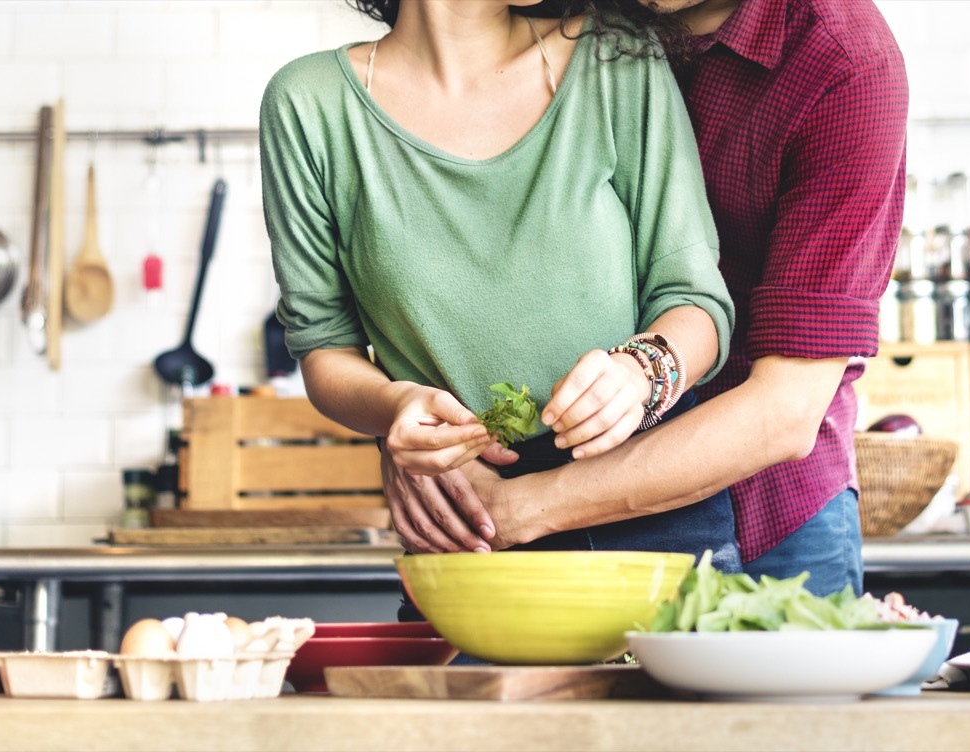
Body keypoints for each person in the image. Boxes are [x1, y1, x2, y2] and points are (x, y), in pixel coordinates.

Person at [382, 0, 908, 597]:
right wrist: (410, 436)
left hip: (767, 509)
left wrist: (512, 509)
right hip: (525, 481)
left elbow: (783, 413)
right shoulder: (558, 12)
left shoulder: (843, 61)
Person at [259, 0, 742, 573]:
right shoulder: (307, 103)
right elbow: (325, 350)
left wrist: (642, 372)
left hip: (651, 511)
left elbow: (695, 299)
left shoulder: (616, 55)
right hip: (466, 524)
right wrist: (397, 408)